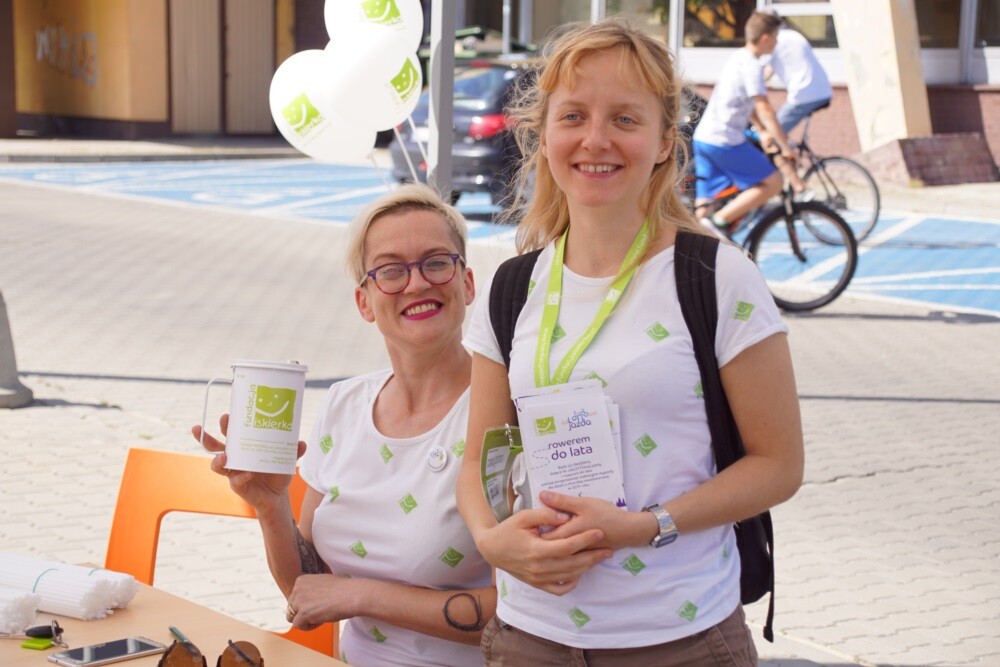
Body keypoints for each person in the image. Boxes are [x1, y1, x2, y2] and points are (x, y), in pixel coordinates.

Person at [456, 19, 804, 666]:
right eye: (574, 116)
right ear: (543, 134)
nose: (595, 139)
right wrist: (491, 538)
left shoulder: (717, 278)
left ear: (666, 141)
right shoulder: (512, 287)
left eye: (624, 119)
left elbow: (778, 464)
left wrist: (648, 525)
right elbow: (479, 459)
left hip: (679, 640)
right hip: (529, 636)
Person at [195, 184, 495, 667]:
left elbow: (528, 612)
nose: (417, 283)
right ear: (364, 302)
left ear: (467, 283)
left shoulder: (502, 411)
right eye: (392, 270)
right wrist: (272, 508)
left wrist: (362, 597)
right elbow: (309, 588)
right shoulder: (346, 402)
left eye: (437, 262)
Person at [692, 11, 806, 231]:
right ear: (765, 39)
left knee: (705, 205)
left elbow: (747, 104)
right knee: (774, 183)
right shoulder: (752, 66)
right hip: (724, 141)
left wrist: (762, 131)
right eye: (775, 38)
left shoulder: (737, 58)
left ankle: (694, 243)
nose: (776, 44)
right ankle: (719, 222)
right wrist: (784, 147)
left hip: (704, 138)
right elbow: (764, 107)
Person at [762, 20, 833, 137]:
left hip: (804, 93)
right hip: (823, 90)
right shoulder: (794, 35)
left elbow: (765, 74)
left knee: (772, 134)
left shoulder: (773, 41)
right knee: (778, 130)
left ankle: (787, 152)